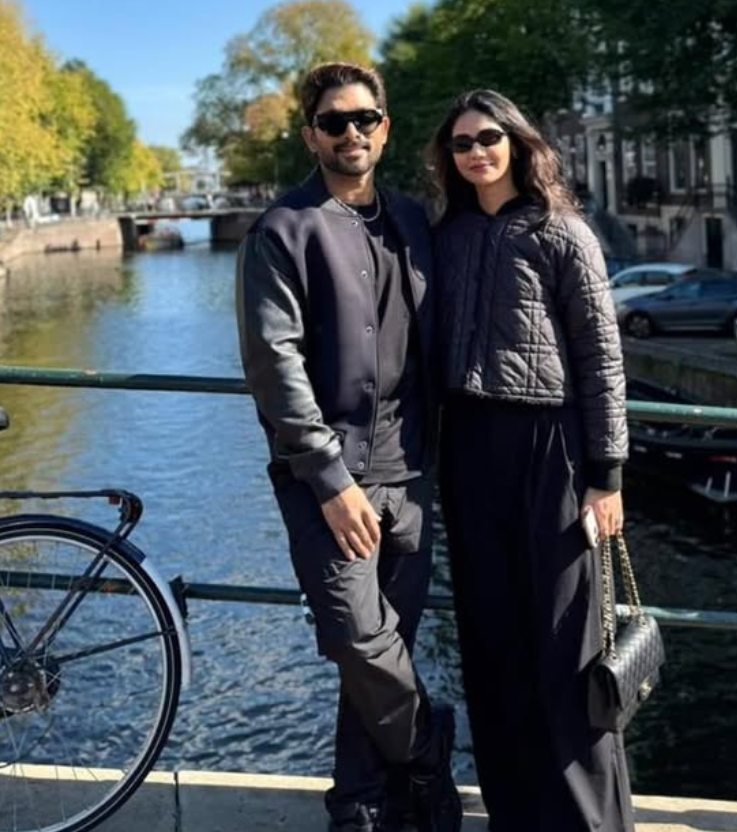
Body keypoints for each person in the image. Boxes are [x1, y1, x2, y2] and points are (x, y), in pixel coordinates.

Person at [235, 62, 462, 832]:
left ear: (385, 128)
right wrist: (329, 479)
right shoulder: (282, 230)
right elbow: (274, 363)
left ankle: (362, 803)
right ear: (311, 135)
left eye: (364, 119)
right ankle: (430, 756)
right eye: (334, 122)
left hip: (413, 471)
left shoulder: (413, 221)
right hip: (328, 480)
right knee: (357, 639)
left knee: (381, 652)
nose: (351, 133)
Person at [425, 89, 636, 832]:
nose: (476, 152)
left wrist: (606, 475)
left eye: (489, 137)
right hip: (469, 446)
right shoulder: (444, 235)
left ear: (517, 142)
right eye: (461, 143)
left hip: (552, 448)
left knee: (566, 641)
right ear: (448, 157)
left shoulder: (562, 233)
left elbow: (601, 358)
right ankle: (516, 812)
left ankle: (589, 820)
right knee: (490, 636)